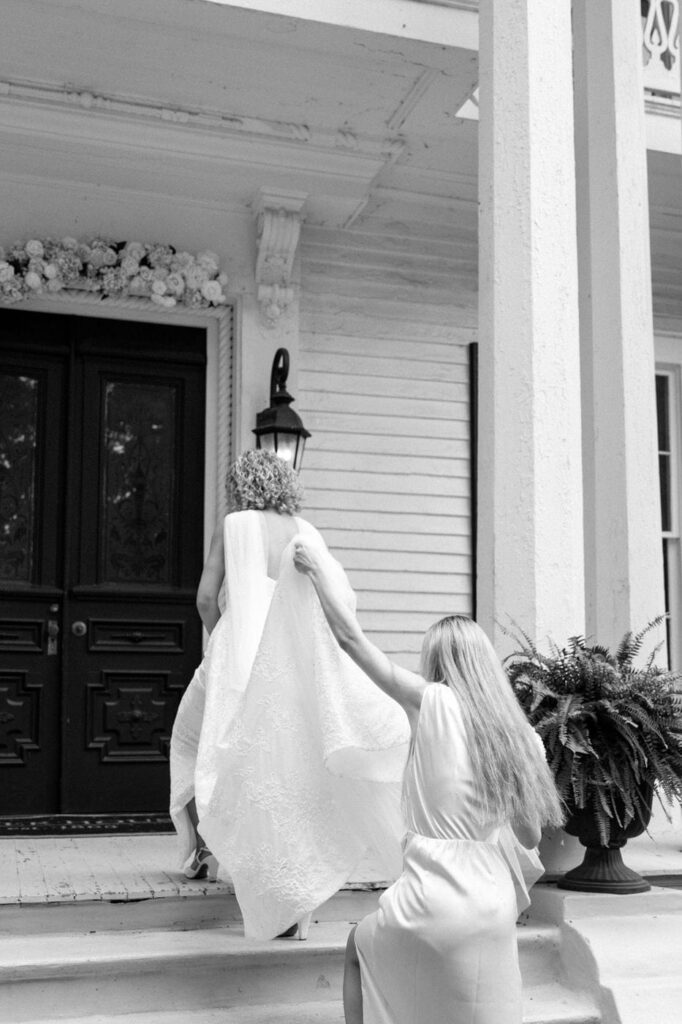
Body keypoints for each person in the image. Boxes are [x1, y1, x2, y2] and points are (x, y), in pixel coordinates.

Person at [293, 534, 564, 1024]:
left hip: (431, 899)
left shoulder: (428, 700)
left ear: (438, 662)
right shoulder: (521, 735)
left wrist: (316, 569)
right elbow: (528, 838)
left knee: (358, 947)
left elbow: (351, 640)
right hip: (493, 904)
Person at [169, 450, 410, 940]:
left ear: (242, 484)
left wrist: (222, 637)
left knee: (194, 742)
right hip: (291, 660)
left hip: (238, 652)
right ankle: (289, 889)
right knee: (281, 768)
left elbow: (205, 598)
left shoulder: (234, 524)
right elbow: (334, 599)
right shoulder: (307, 531)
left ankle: (204, 851)